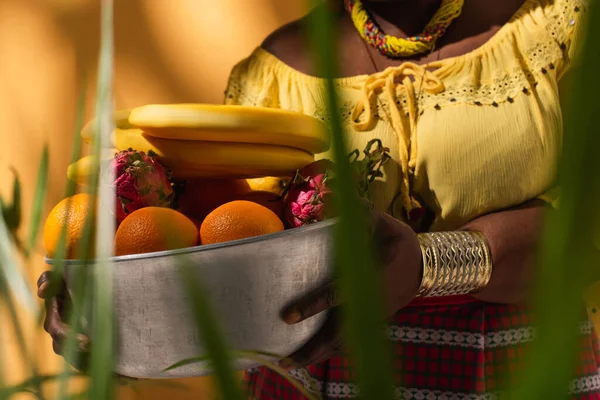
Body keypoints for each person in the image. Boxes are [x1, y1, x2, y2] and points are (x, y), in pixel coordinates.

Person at [38, 0, 600, 398]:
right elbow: (230, 246)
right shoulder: (266, 76)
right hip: (309, 381)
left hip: (516, 366)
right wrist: (125, 311)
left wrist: (427, 265)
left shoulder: (561, 28)